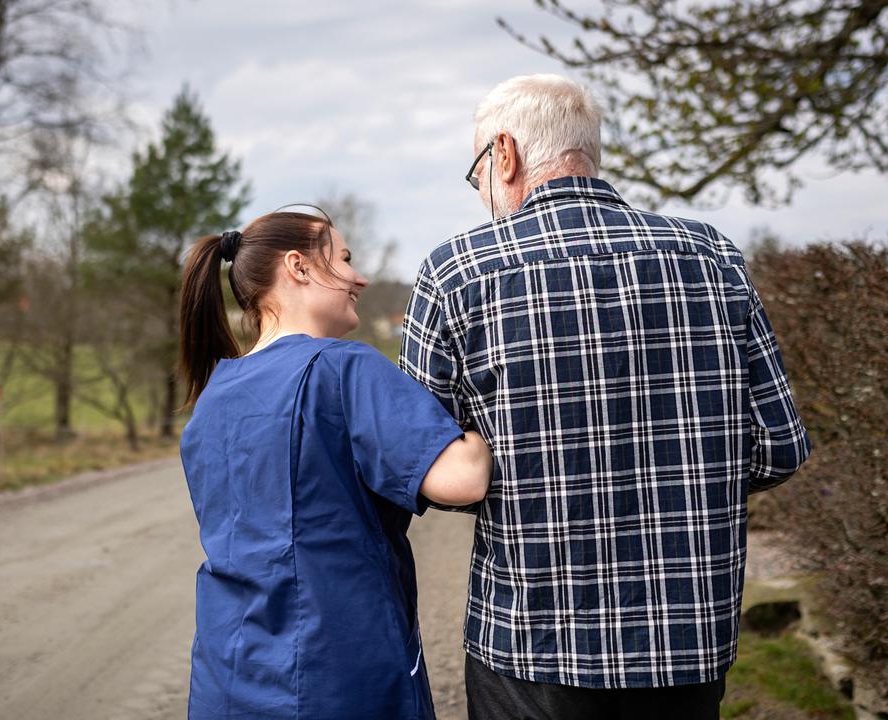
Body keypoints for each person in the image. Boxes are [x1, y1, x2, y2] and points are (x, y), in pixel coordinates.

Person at [400, 74, 811, 719]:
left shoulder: (458, 273)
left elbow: (424, 469)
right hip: (689, 637)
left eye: (477, 173)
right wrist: (685, 483)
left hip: (531, 639)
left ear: (503, 154)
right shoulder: (714, 257)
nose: (482, 193)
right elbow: (780, 448)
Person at [177, 210, 493, 720]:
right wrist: (482, 428)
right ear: (298, 267)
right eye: (344, 258)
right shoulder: (344, 366)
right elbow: (463, 478)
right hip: (337, 675)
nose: (359, 277)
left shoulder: (215, 394)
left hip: (228, 677)